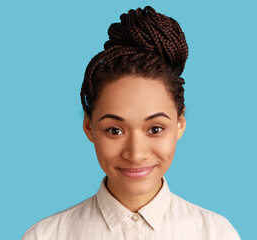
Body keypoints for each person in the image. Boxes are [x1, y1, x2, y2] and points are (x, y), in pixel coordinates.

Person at [22, 6, 241, 240]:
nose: (136, 154)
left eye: (155, 129)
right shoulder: (46, 235)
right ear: (89, 127)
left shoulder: (215, 233)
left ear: (180, 124)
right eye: (115, 131)